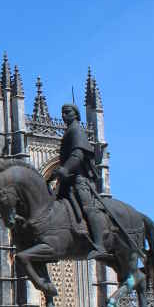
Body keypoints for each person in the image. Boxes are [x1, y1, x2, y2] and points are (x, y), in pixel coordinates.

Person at [46, 103, 110, 258]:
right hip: (67, 182)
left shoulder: (77, 130)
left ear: (76, 114)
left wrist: (64, 170)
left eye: (67, 112)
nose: (63, 116)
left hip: (79, 180)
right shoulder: (69, 132)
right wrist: (54, 175)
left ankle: (99, 245)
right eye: (62, 113)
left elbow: (77, 155)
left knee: (88, 208)